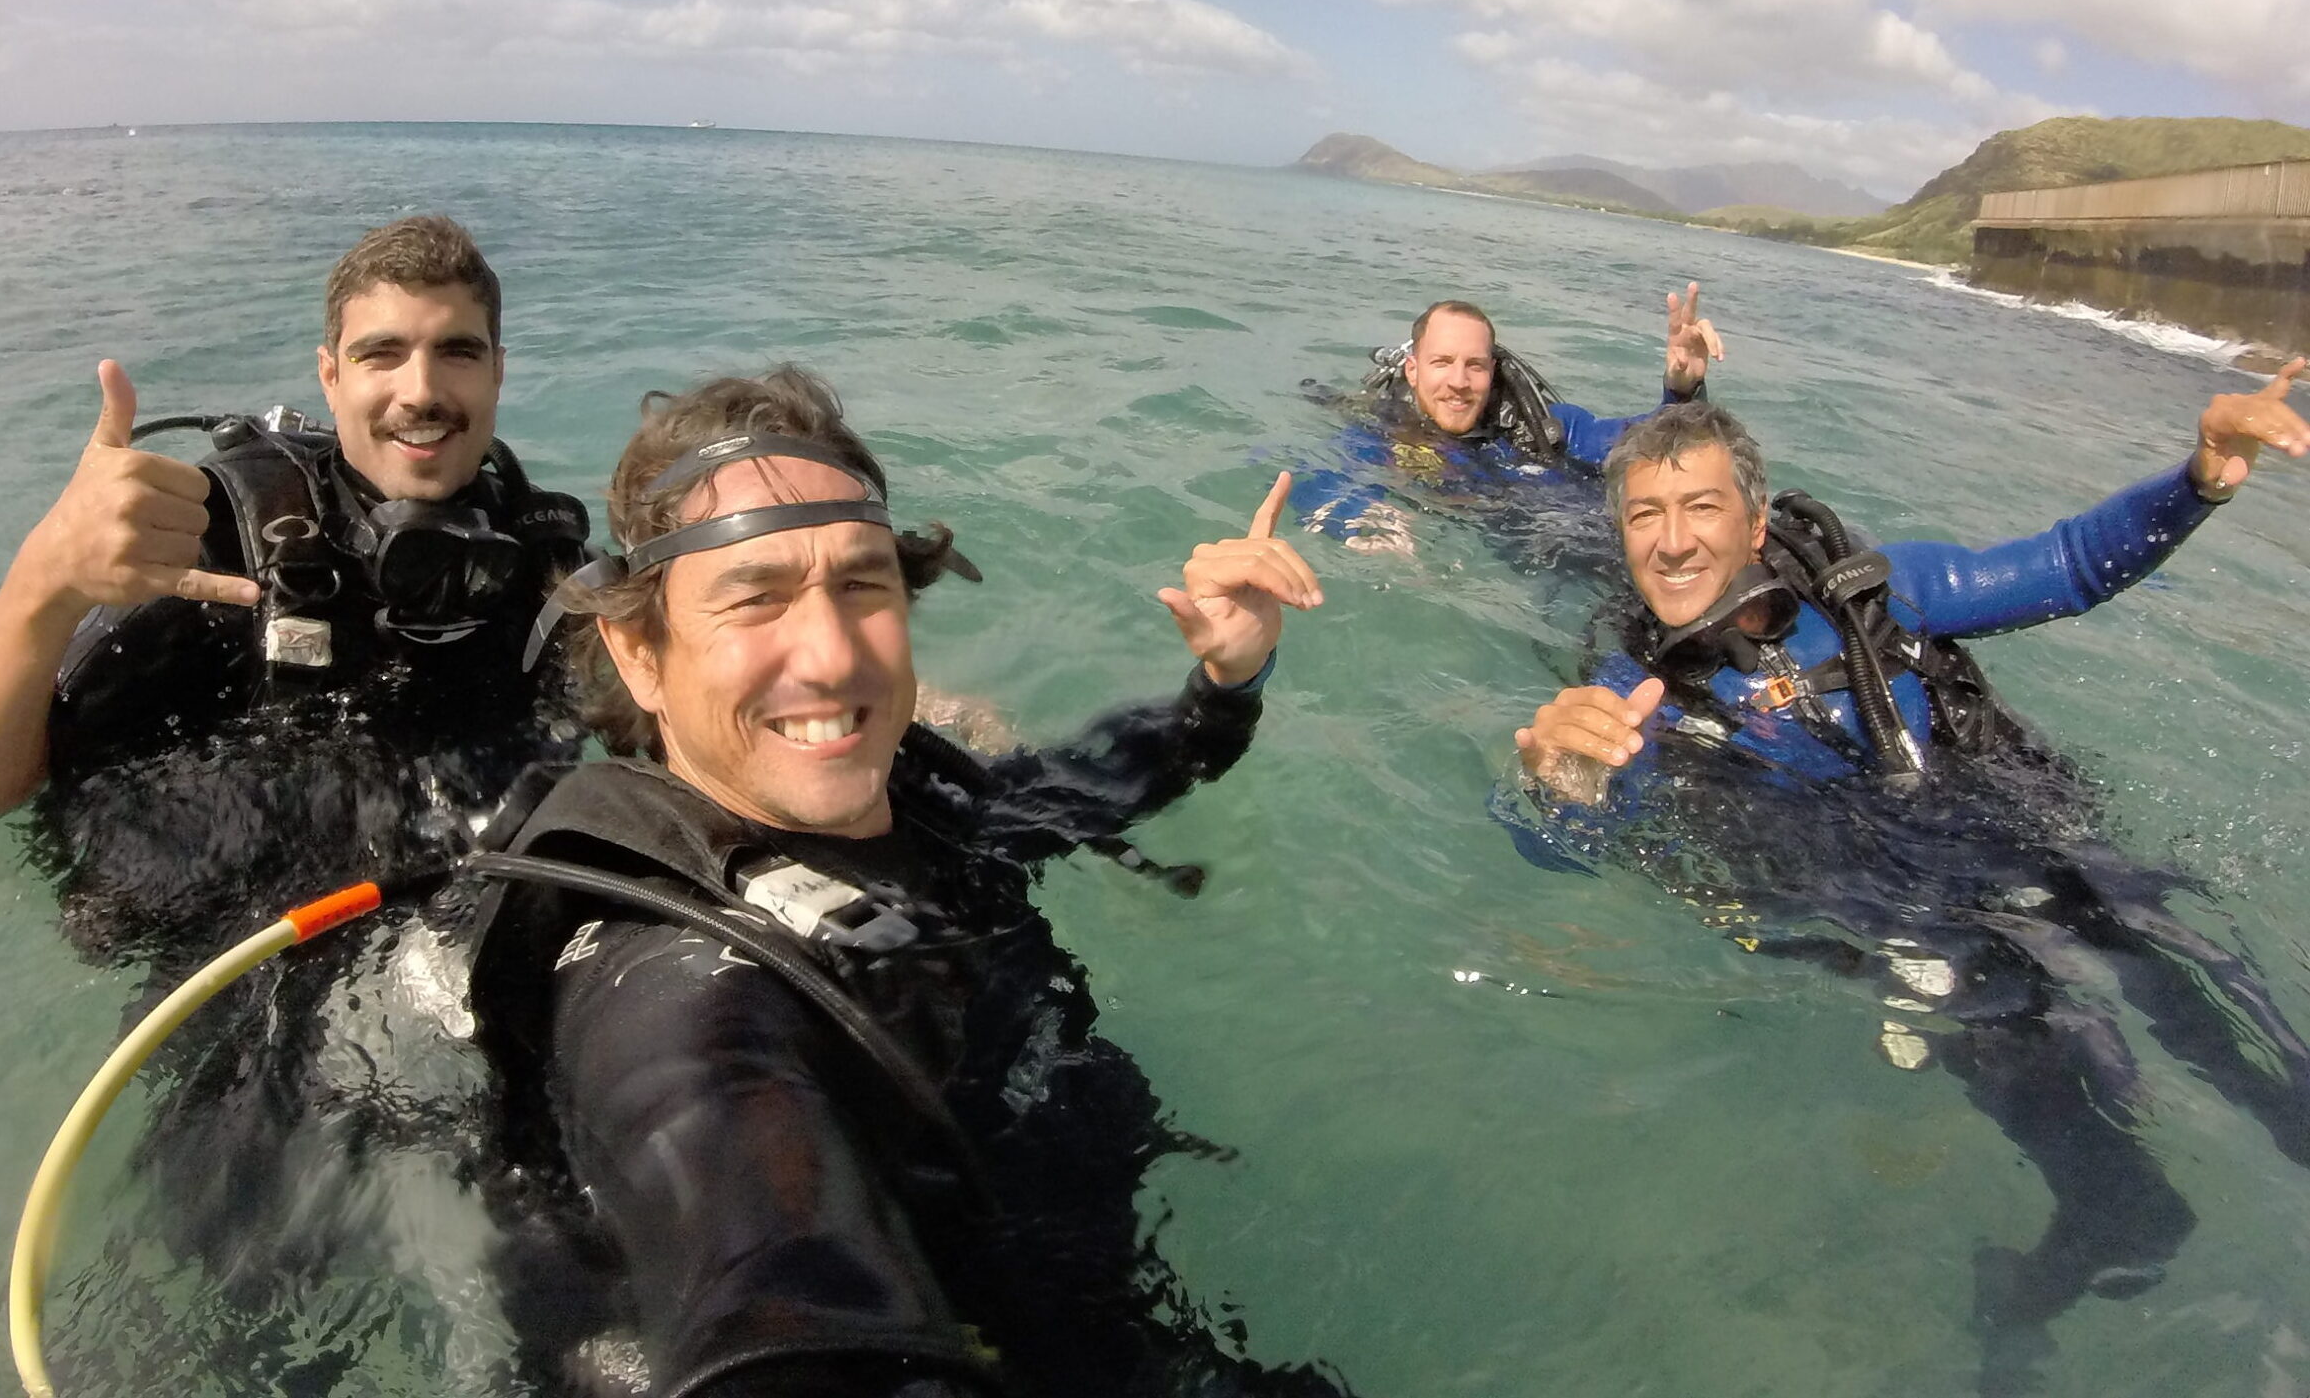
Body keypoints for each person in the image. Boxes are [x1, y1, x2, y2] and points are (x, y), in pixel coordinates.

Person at [463, 367, 1344, 1398]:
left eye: (862, 584)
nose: (832, 654)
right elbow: (756, 1247)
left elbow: (1080, 784)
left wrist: (1226, 682)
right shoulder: (673, 980)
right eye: (757, 596)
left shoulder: (925, 800)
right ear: (640, 652)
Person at [1510, 368, 2310, 1394]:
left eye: (1701, 506)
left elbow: (2065, 565)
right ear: (1620, 535)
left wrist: (2198, 480)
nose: (1671, 540)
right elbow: (1567, 846)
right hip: (1892, 909)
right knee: (2129, 1195)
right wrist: (1559, 786)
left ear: (1756, 522)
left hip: (2013, 832)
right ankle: (2025, 1293)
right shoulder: (1630, 690)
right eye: (1645, 515)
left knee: (2239, 1034)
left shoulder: (1876, 597)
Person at [0, 217, 591, 1390]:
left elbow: (673, 671)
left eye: (457, 352)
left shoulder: (534, 561)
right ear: (329, 375)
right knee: (230, 1305)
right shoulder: (212, 537)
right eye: (381, 354)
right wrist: (46, 579)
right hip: (239, 964)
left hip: (441, 929)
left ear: (498, 369)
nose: (420, 390)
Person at [1295, 284, 1721, 560]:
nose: (1458, 382)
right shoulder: (1380, 438)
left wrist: (1681, 391)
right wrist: (1366, 518)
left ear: (1493, 371)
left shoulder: (1551, 429)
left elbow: (1651, 443)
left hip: (1635, 545)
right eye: (1442, 362)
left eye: (1475, 366)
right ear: (1412, 370)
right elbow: (1306, 482)